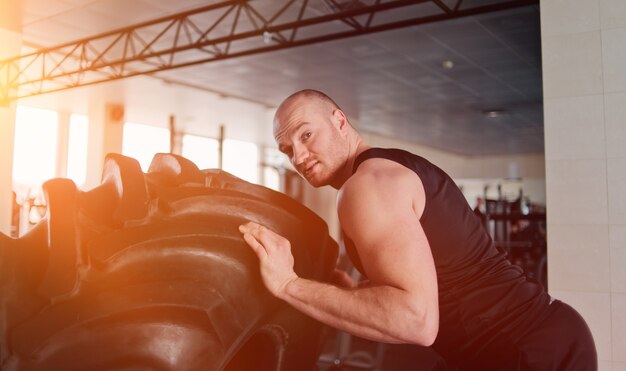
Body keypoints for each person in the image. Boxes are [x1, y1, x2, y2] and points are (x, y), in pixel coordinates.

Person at [238, 89, 597, 370]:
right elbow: (441, 275)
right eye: (287, 150)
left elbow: (415, 321)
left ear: (340, 120)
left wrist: (289, 284)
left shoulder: (366, 186)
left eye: (306, 135)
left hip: (526, 351)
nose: (298, 157)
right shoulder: (387, 167)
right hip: (525, 343)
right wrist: (357, 293)